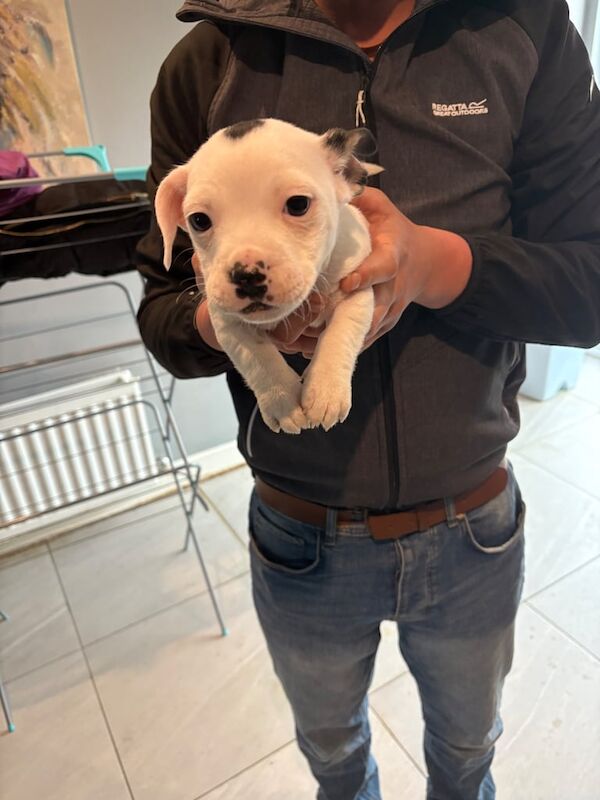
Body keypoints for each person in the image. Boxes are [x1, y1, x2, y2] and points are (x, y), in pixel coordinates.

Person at [136, 2, 600, 798]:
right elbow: (162, 310)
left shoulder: (522, 27)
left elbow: (588, 289)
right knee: (335, 761)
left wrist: (431, 265)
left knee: (466, 756)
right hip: (299, 530)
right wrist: (228, 323)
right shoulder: (206, 62)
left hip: (473, 523)